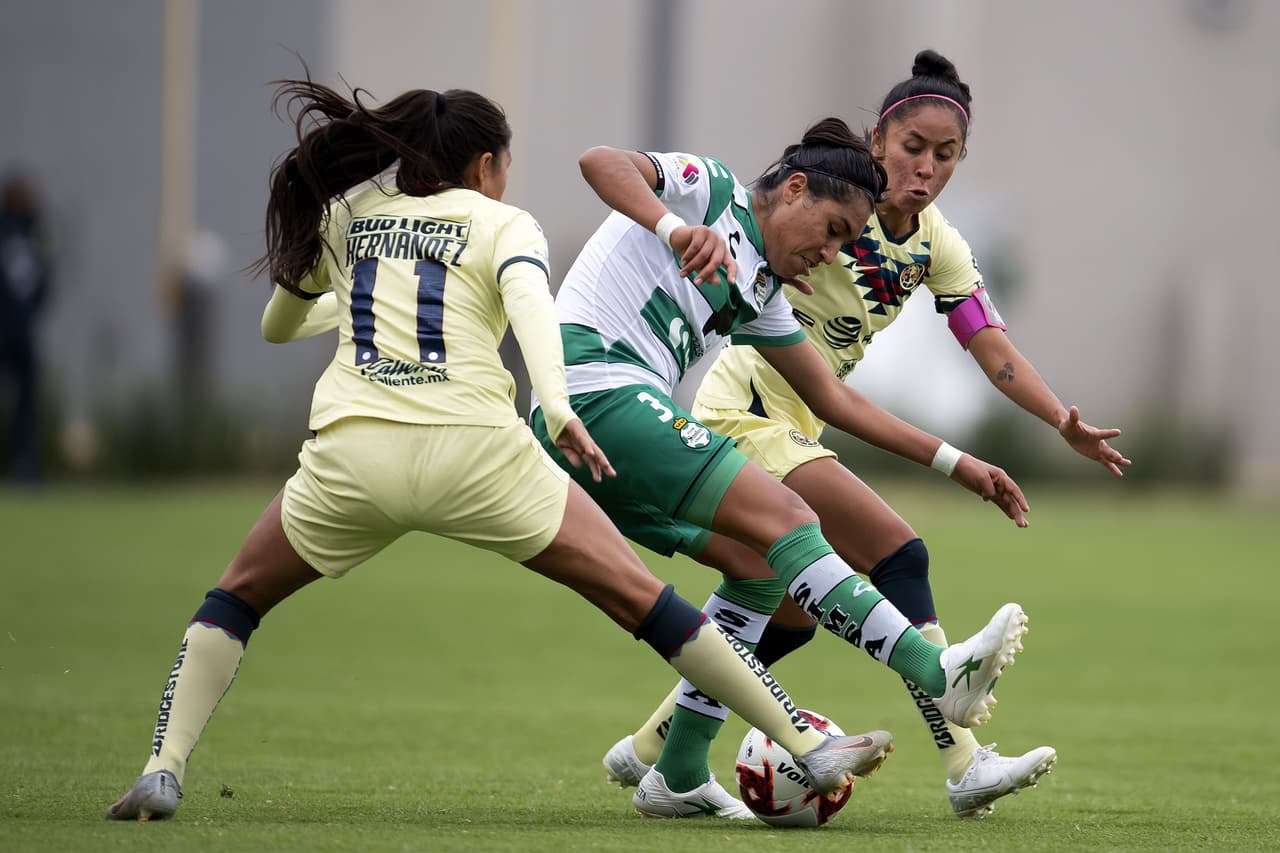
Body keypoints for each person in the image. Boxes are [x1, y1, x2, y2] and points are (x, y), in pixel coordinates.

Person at [103, 76, 901, 822]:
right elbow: (538, 326)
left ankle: (162, 766)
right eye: (506, 168)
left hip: (352, 456)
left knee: (237, 596)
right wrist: (560, 412)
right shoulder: (504, 223)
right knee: (646, 601)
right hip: (479, 455)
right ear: (485, 166)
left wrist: (352, 300)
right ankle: (805, 742)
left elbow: (278, 326)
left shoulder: (350, 218)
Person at [601, 50, 1129, 820]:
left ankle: (657, 748)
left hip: (802, 417)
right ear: (878, 142)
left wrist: (1060, 419)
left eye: (946, 156)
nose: (926, 168)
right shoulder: (831, 195)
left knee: (784, 610)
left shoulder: (937, 244)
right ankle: (963, 757)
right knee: (898, 551)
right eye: (913, 146)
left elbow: (989, 341)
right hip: (744, 408)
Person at [530, 116, 1032, 819]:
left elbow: (832, 398)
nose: (828, 255)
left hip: (605, 439)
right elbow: (598, 158)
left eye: (844, 245)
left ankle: (674, 772)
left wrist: (954, 462)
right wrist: (673, 229)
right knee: (793, 519)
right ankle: (934, 672)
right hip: (594, 396)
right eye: (829, 231)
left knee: (761, 566)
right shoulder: (712, 194)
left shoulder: (761, 292)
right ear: (793, 188)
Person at [0, 172, 53, 482]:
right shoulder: (32, 240)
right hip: (19, 334)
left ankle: (24, 465)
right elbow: (44, 287)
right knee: (25, 405)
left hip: (19, 334)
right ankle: (24, 465)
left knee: (26, 404)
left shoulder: (32, 238)